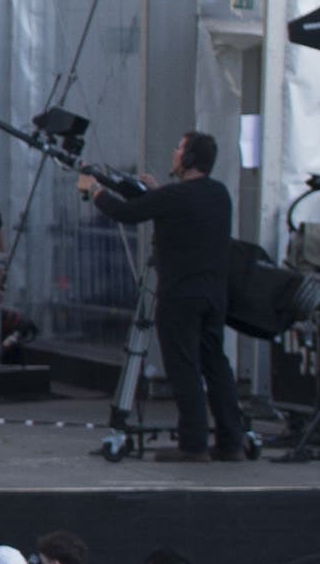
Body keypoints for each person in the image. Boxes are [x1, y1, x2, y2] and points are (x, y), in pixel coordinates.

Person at [83, 138, 246, 460]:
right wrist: (156, 191)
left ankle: (193, 444)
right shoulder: (218, 194)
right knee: (216, 365)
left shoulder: (174, 196)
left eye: (179, 148)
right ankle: (231, 440)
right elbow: (176, 208)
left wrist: (95, 192)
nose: (173, 152)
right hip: (214, 294)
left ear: (190, 158)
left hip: (180, 296)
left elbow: (128, 213)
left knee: (184, 367)